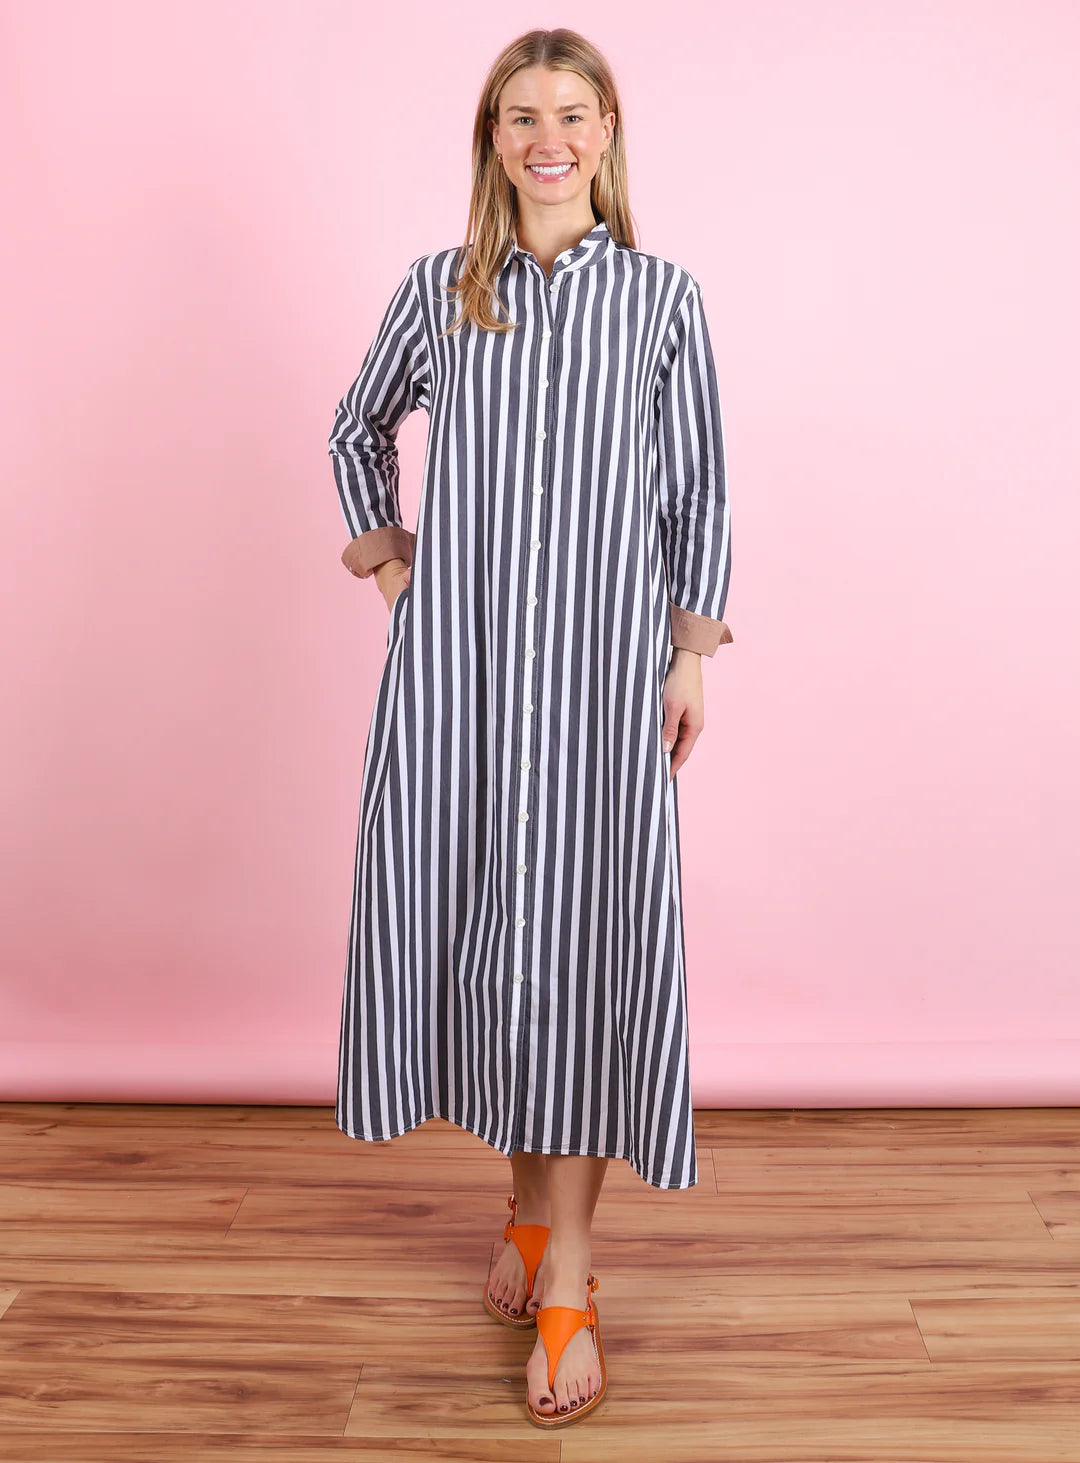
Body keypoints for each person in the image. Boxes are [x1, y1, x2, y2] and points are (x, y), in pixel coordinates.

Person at [328, 27, 733, 1429]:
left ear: (609, 129)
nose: (545, 138)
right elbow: (352, 430)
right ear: (492, 139)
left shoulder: (664, 302)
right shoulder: (444, 296)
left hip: (608, 684)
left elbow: (700, 496)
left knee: (584, 946)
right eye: (519, 116)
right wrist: (392, 565)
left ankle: (572, 1271)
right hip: (461, 684)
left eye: (569, 112)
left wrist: (689, 659)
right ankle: (520, 1219)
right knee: (490, 946)